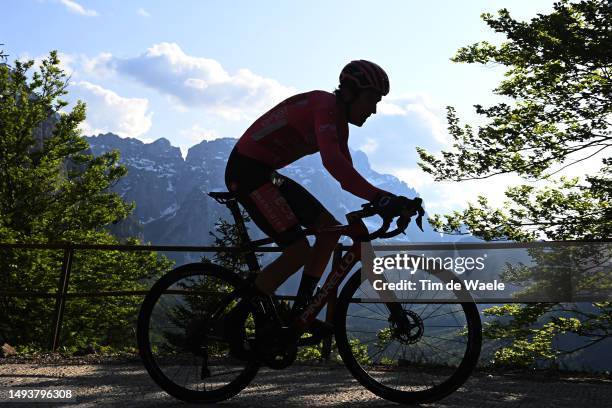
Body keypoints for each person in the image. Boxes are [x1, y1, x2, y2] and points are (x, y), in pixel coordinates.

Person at [223, 60, 407, 340]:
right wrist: (381, 198)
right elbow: (334, 163)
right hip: (247, 172)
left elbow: (347, 176)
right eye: (371, 99)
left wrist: (388, 198)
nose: (374, 109)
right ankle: (233, 321)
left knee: (328, 230)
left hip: (265, 173)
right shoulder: (325, 106)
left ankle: (301, 313)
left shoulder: (338, 123)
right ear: (349, 92)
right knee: (298, 251)